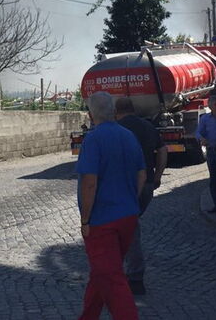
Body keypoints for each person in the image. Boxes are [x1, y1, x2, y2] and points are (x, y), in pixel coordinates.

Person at [77, 91, 145, 320]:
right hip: (127, 215)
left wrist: (85, 219)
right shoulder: (128, 136)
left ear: (90, 114)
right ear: (113, 111)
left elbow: (89, 182)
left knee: (112, 278)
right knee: (102, 273)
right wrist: (129, 199)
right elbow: (142, 174)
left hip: (101, 220)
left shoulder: (93, 139)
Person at [115, 96, 168, 295]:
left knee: (129, 231)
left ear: (117, 111)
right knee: (132, 225)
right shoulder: (147, 127)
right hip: (147, 185)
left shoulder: (117, 129)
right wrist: (158, 176)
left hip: (126, 186)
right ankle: (129, 274)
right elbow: (163, 150)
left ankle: (133, 277)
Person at [196, 94, 216, 214]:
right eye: (215, 104)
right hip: (211, 151)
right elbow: (198, 133)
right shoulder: (205, 119)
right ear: (210, 106)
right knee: (214, 180)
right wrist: (202, 139)